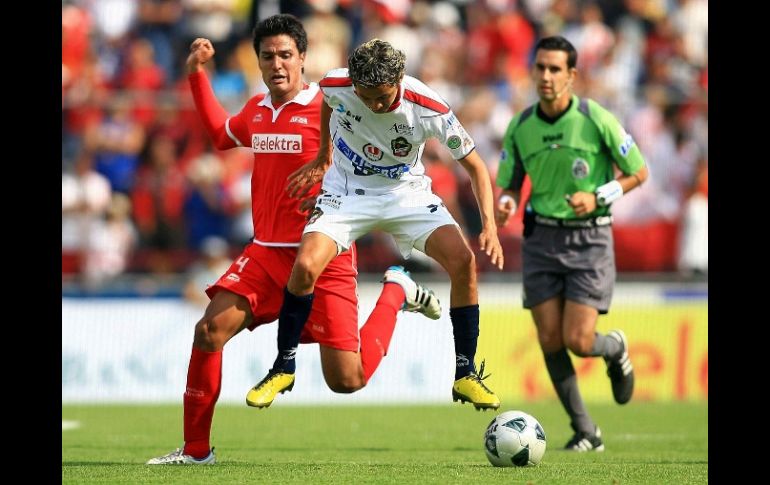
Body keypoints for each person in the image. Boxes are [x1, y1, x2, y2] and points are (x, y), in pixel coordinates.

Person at [147, 15, 440, 466]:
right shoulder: (257, 110)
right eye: (268, 56)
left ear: (303, 58)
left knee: (347, 380)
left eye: (286, 55)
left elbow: (377, 153)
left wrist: (331, 168)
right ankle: (196, 451)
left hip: (322, 256)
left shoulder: (334, 107)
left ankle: (396, 291)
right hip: (264, 254)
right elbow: (220, 134)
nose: (277, 64)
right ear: (258, 61)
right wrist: (195, 74)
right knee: (208, 331)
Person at [249, 38, 504, 412]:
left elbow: (476, 168)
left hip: (406, 194)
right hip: (347, 193)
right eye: (366, 98)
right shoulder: (338, 85)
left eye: (382, 98)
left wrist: (490, 227)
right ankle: (283, 366)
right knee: (304, 266)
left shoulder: (429, 108)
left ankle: (466, 374)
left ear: (400, 79)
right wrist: (324, 156)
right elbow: (329, 105)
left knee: (463, 262)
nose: (374, 105)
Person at [495, 36, 648, 451]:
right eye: (540, 67)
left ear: (572, 75)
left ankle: (613, 347)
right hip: (541, 238)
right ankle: (586, 430)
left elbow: (638, 172)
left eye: (555, 69)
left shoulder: (595, 117)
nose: (546, 76)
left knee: (579, 341)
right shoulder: (521, 125)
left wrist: (598, 196)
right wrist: (506, 203)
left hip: (589, 239)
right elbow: (509, 183)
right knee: (549, 339)